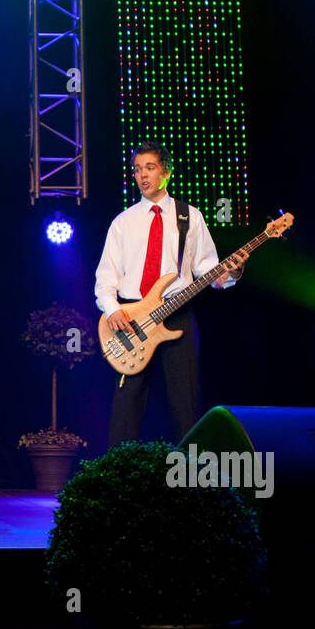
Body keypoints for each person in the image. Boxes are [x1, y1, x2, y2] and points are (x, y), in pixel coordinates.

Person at [94, 142, 246, 448]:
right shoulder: (122, 223)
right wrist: (113, 310)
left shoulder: (189, 216)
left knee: (186, 402)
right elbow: (105, 279)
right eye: (137, 169)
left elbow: (208, 271)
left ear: (166, 172)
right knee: (126, 406)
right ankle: (118, 481)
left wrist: (233, 272)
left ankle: (190, 481)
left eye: (149, 168)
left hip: (178, 314)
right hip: (132, 319)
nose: (141, 175)